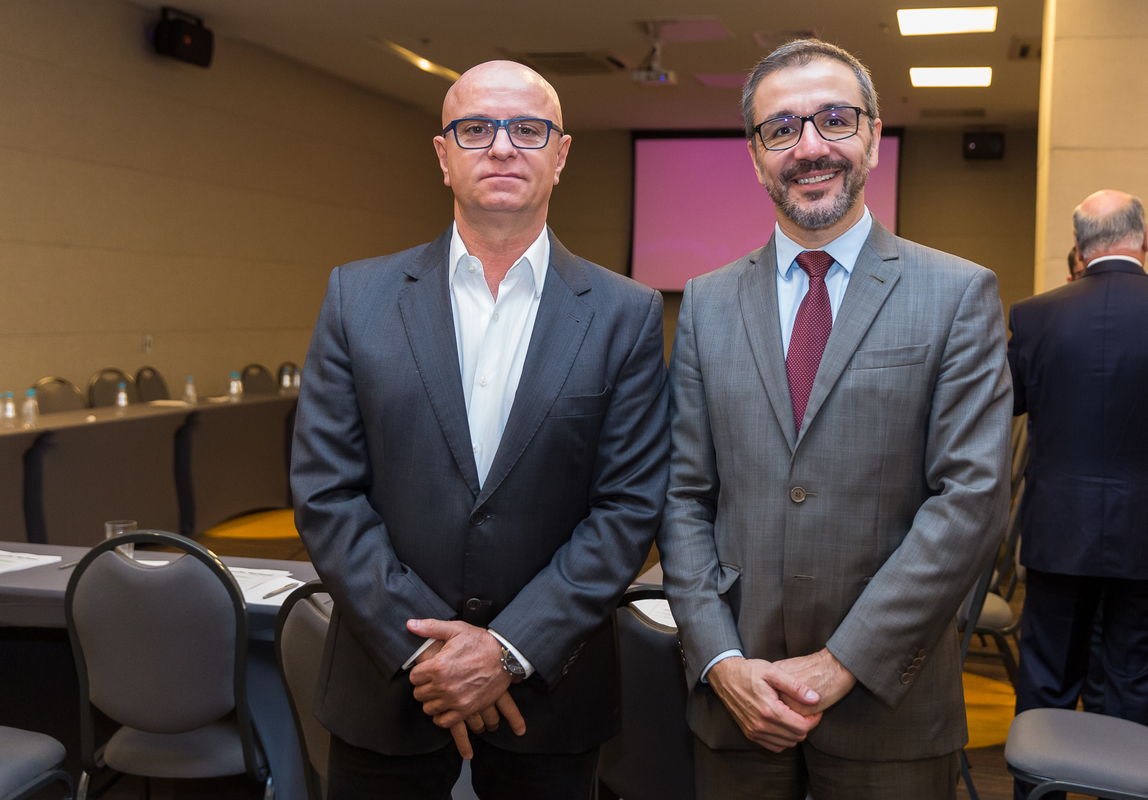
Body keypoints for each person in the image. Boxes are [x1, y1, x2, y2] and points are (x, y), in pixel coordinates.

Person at [290, 60, 670, 800]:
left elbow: (627, 509)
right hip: (390, 682)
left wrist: (507, 648)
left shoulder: (625, 314)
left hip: (551, 691)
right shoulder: (356, 297)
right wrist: (432, 653)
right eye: (475, 129)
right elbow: (325, 492)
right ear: (443, 155)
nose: (501, 147)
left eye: (527, 129)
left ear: (560, 155)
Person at [657, 39, 1012, 799]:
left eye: (835, 119)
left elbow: (971, 501)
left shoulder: (957, 294)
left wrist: (840, 662)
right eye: (781, 128)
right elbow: (683, 496)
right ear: (756, 156)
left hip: (890, 707)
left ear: (873, 137)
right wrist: (719, 659)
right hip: (737, 703)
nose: (810, 147)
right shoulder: (707, 303)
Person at [1008, 190, 1148, 797]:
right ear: (1143, 239)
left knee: (1046, 685)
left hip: (1058, 533)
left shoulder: (1034, 316)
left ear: (1080, 246)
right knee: (1135, 691)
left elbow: (1006, 407)